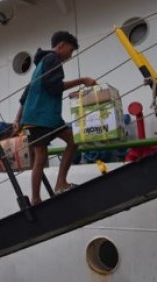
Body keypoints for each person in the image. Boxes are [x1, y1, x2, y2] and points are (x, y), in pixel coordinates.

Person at [13, 31, 96, 205]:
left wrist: (18, 119)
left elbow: (25, 95)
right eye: (71, 50)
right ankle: (36, 199)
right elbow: (54, 86)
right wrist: (82, 80)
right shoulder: (52, 59)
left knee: (72, 141)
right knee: (41, 156)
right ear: (61, 45)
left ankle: (60, 184)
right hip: (39, 117)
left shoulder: (41, 65)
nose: (71, 55)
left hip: (47, 117)